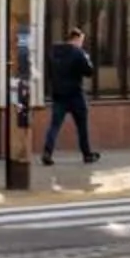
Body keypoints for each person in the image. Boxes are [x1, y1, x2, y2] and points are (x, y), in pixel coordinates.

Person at [42, 26, 99, 166]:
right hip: (75, 95)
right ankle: (87, 154)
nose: (82, 44)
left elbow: (49, 72)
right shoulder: (78, 53)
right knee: (82, 126)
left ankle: (47, 153)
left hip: (59, 94)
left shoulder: (54, 51)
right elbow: (89, 72)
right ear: (77, 39)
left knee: (54, 125)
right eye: (81, 41)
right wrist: (86, 57)